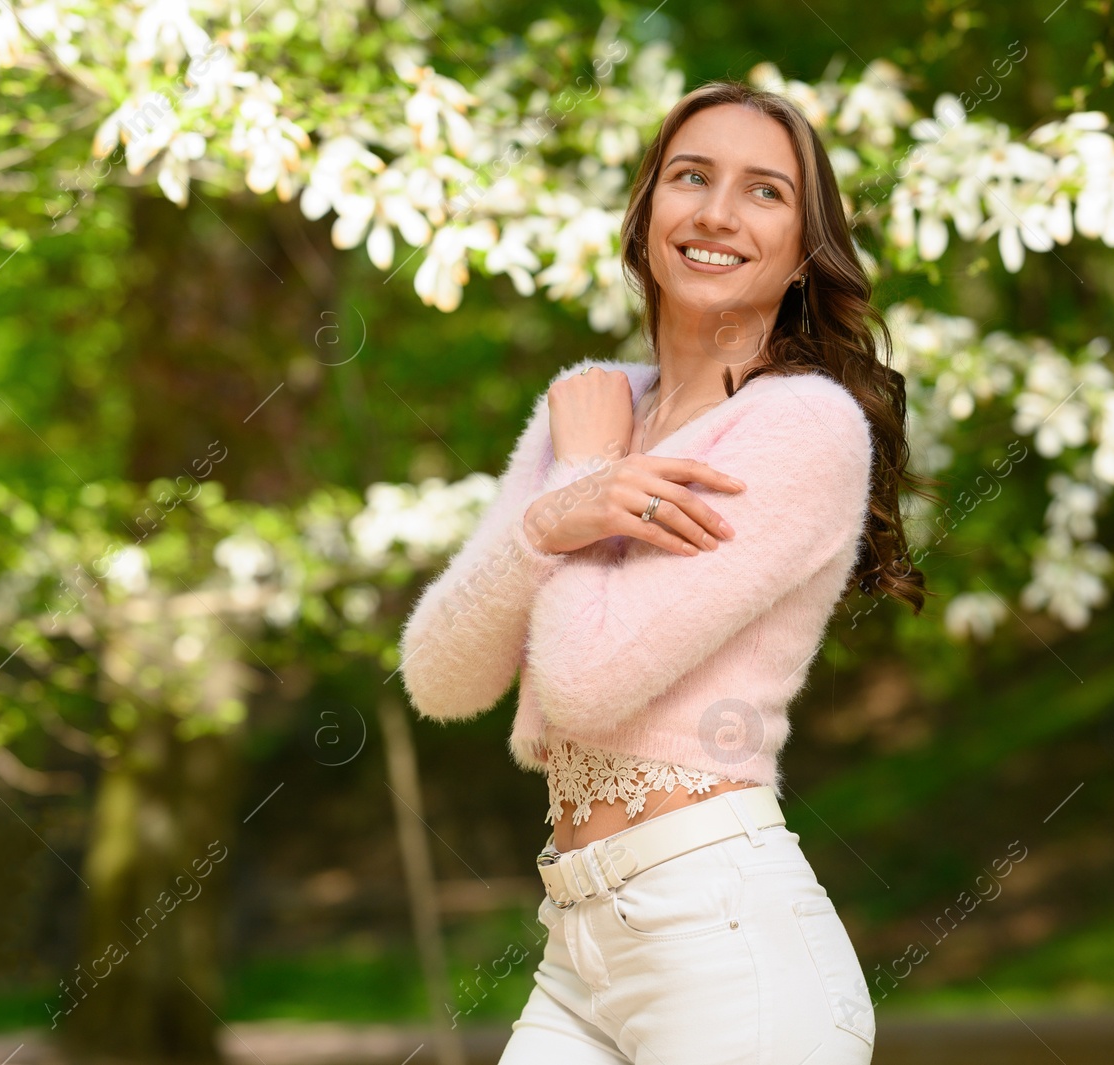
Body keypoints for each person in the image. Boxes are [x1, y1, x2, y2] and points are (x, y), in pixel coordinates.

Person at [397, 79, 928, 1065]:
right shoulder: (590, 401)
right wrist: (545, 524)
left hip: (728, 946)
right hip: (579, 945)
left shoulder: (801, 426)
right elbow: (440, 676)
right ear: (646, 213)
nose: (718, 213)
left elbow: (586, 684)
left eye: (764, 192)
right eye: (691, 176)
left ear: (805, 251)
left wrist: (589, 479)